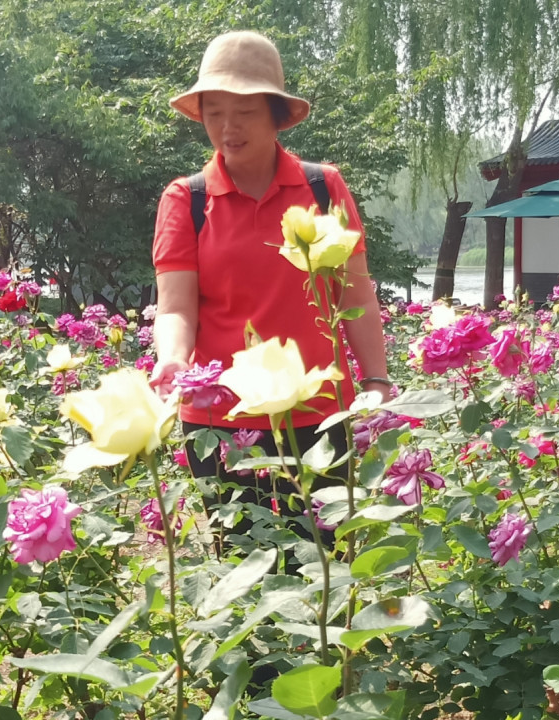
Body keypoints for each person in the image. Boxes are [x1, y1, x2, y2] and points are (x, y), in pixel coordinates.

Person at [150, 30, 390, 547]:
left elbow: (355, 293)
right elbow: (175, 307)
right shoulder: (186, 200)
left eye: (244, 112)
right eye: (214, 112)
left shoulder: (323, 187)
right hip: (221, 418)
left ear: (277, 114)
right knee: (244, 561)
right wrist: (171, 358)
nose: (227, 127)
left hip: (320, 408)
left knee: (324, 558)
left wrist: (376, 380)